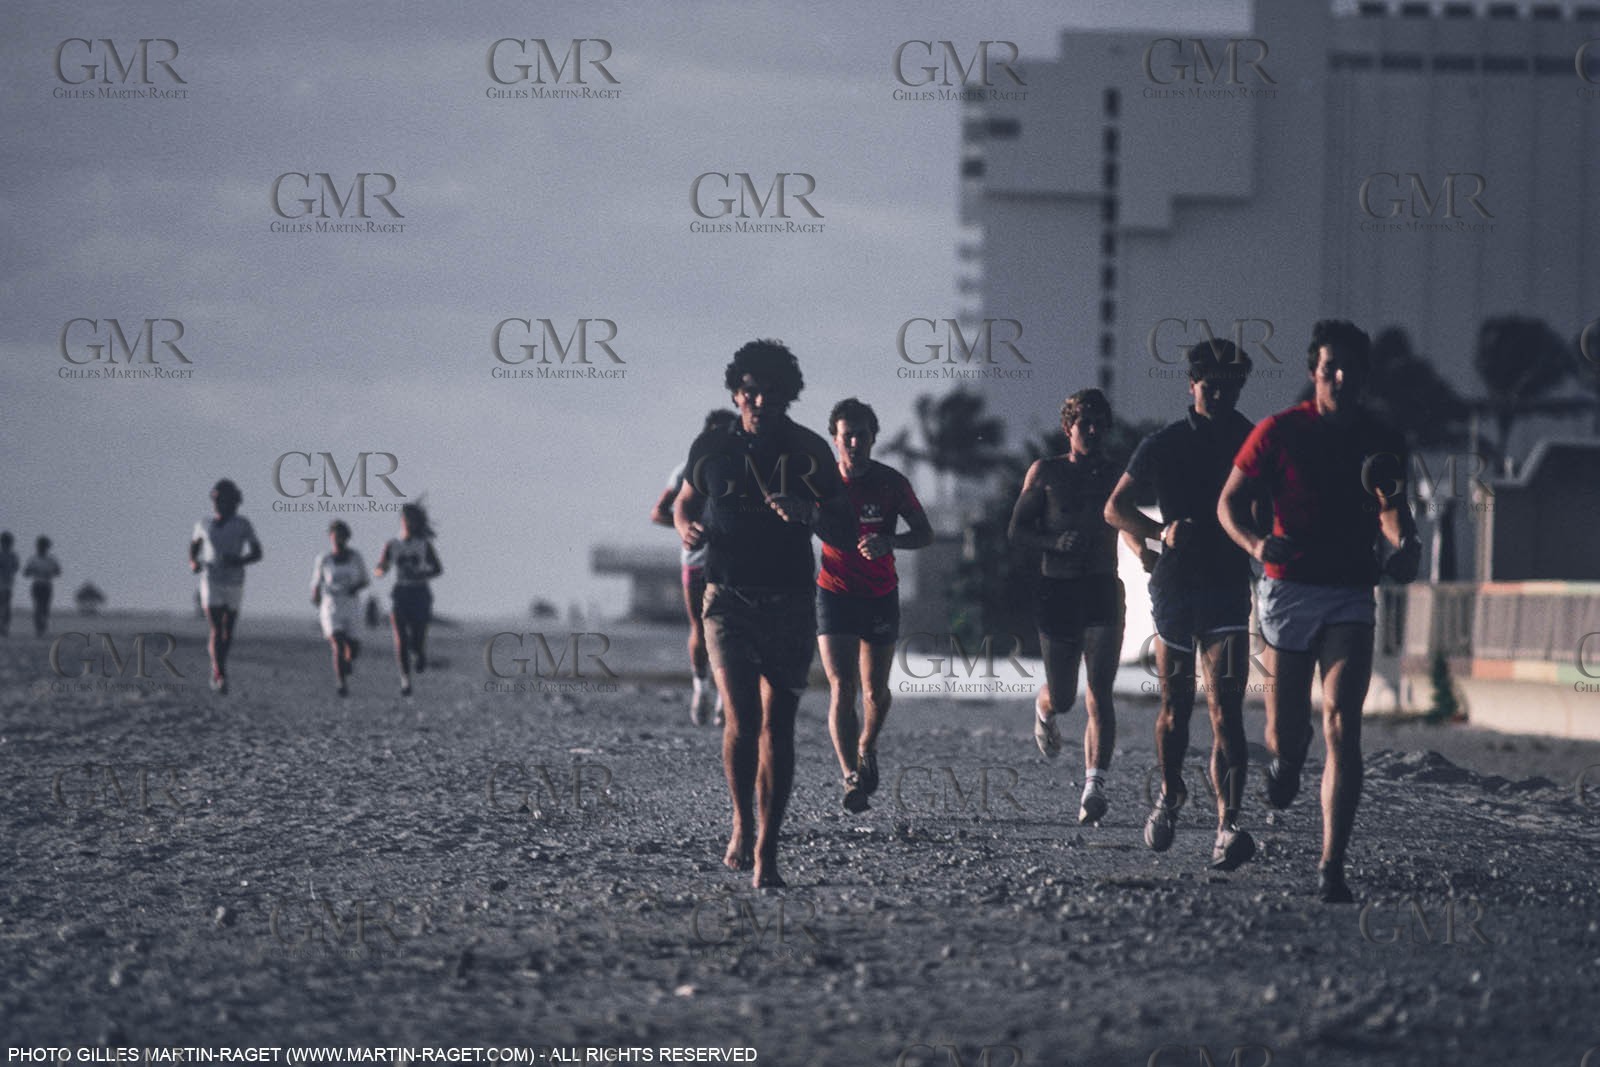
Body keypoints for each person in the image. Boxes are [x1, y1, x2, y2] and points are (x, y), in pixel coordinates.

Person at [1218, 319, 1420, 903]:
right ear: (1314, 372)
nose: (1340, 376)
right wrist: (1257, 545)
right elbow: (1227, 504)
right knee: (1286, 736)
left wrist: (1403, 544)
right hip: (1287, 590)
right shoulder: (1278, 431)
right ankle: (1283, 765)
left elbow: (1393, 509)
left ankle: (1332, 866)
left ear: (1362, 375)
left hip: (1350, 591)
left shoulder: (1381, 436)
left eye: (1350, 368)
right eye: (1329, 366)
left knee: (1341, 724)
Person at [672, 339, 857, 888]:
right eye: (750, 390)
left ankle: (769, 851)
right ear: (736, 393)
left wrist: (810, 511)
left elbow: (845, 527)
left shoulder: (809, 451)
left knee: (778, 727)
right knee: (743, 719)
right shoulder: (710, 446)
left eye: (771, 392)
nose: (759, 399)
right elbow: (684, 499)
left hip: (792, 600)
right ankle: (741, 821)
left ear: (788, 396)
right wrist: (685, 526)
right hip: (726, 597)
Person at [1105, 339, 1260, 870]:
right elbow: (1114, 509)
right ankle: (1170, 794)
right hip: (1173, 588)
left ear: (1241, 388)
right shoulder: (1163, 443)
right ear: (1191, 385)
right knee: (1176, 710)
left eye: (1230, 387)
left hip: (1227, 588)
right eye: (1209, 385)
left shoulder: (1252, 440)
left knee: (1227, 713)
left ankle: (1228, 824)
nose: (1218, 395)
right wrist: (1161, 532)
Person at [1008, 388, 1134, 826]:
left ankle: (1094, 786)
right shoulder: (1045, 473)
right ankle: (1044, 710)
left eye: (1100, 423)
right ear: (1069, 429)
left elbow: (1127, 519)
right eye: (1085, 424)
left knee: (1100, 689)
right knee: (1063, 696)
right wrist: (1053, 541)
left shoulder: (1118, 475)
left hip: (1102, 587)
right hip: (1057, 589)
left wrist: (1150, 548)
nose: (1094, 431)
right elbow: (1018, 530)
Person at [817, 397, 933, 814]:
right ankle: (851, 776)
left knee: (875, 690)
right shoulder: (822, 482)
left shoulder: (891, 482)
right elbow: (795, 519)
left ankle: (868, 743)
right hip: (833, 591)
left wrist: (890, 541)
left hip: (880, 593)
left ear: (872, 438)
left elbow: (925, 533)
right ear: (835, 439)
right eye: (846, 435)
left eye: (861, 435)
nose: (853, 442)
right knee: (841, 686)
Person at [652, 409, 739, 726]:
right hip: (696, 560)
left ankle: (722, 697)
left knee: (729, 631)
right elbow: (658, 512)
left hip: (730, 561)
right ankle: (701, 688)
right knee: (700, 628)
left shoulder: (740, 470)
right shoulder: (686, 469)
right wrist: (686, 528)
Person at [189, 480, 263, 693]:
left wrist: (239, 560)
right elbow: (194, 546)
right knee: (216, 627)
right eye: (215, 499)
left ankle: (220, 666)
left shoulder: (243, 525)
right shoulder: (204, 524)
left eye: (221, 500)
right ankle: (219, 672)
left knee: (227, 631)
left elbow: (257, 552)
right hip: (211, 579)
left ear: (233, 502)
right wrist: (193, 562)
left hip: (234, 582)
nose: (217, 503)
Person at [373, 502, 442, 697]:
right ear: (402, 520)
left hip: (420, 593)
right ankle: (405, 678)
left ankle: (419, 653)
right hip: (400, 593)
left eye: (412, 519)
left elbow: (437, 569)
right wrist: (379, 571)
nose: (409, 523)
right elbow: (381, 566)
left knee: (417, 638)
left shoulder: (423, 545)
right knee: (400, 639)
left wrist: (422, 573)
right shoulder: (392, 545)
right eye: (406, 519)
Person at [311, 521, 369, 697]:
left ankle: (348, 662)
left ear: (347, 538)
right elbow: (317, 581)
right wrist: (316, 595)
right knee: (337, 642)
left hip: (351, 604)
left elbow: (365, 579)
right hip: (332, 605)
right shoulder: (324, 559)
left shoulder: (355, 557)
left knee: (353, 647)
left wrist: (355, 587)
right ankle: (341, 682)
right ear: (330, 537)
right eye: (335, 536)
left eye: (341, 536)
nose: (338, 540)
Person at [23, 536, 63, 639]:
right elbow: (25, 573)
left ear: (47, 547)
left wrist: (50, 573)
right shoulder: (33, 559)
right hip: (37, 585)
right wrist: (34, 571)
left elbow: (58, 572)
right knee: (37, 607)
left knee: (45, 608)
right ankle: (38, 629)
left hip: (47, 586)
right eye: (40, 546)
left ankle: (43, 627)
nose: (42, 548)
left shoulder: (51, 560)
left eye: (44, 546)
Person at [0, 532, 20, 637]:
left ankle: (5, 627)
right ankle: (3, 627)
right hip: (3, 583)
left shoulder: (13, 555)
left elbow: (16, 567)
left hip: (8, 584)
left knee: (6, 607)